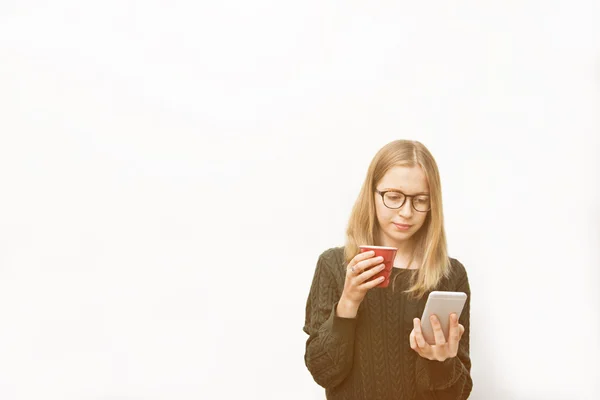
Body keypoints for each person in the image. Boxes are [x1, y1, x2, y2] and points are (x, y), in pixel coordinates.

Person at [303, 140, 473, 400]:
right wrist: (348, 302)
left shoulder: (450, 276)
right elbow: (322, 372)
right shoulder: (334, 265)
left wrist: (440, 362)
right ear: (372, 194)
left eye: (420, 200)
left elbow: (458, 394)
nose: (406, 212)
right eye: (393, 197)